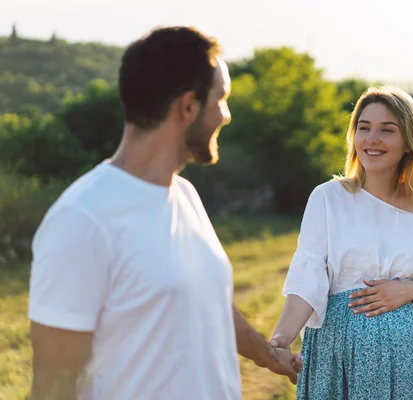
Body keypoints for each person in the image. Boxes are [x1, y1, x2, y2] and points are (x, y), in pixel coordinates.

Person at [28, 26, 301, 400]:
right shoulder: (83, 219)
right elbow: (53, 384)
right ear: (187, 107)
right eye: (220, 99)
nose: (227, 115)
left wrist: (268, 356)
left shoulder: (186, 196)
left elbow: (208, 303)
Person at [269, 86, 413, 399]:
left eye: (387, 130)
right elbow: (308, 280)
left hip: (409, 363)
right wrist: (281, 338)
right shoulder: (329, 198)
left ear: (408, 143)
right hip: (338, 358)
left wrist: (410, 290)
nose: (372, 139)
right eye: (364, 128)